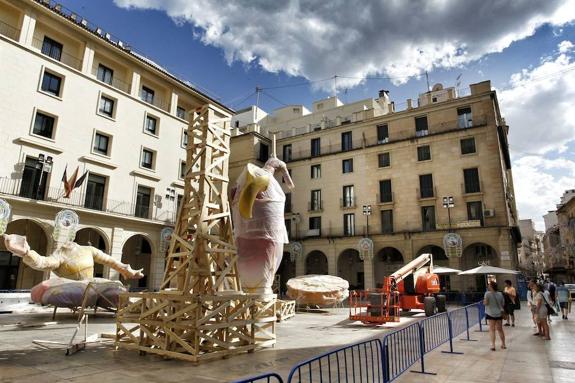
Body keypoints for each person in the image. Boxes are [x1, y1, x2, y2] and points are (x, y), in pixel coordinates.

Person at [483, 281, 506, 351]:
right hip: (499, 313)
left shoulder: (487, 294)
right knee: (500, 329)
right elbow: (503, 303)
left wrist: (484, 302)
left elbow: (486, 303)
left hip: (490, 313)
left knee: (492, 329)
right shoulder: (500, 294)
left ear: (491, 286)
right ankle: (503, 344)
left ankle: (493, 345)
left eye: (489, 285)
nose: (488, 286)